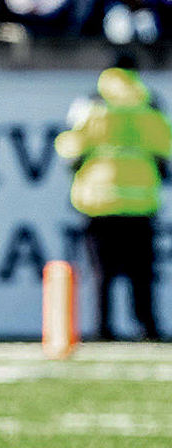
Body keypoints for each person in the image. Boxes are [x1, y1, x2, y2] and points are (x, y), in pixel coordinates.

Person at [55, 66, 171, 340]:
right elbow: (165, 144)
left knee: (102, 273)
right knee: (142, 273)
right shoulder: (149, 101)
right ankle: (148, 328)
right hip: (140, 199)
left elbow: (70, 147)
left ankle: (103, 329)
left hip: (99, 199)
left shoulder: (91, 101)